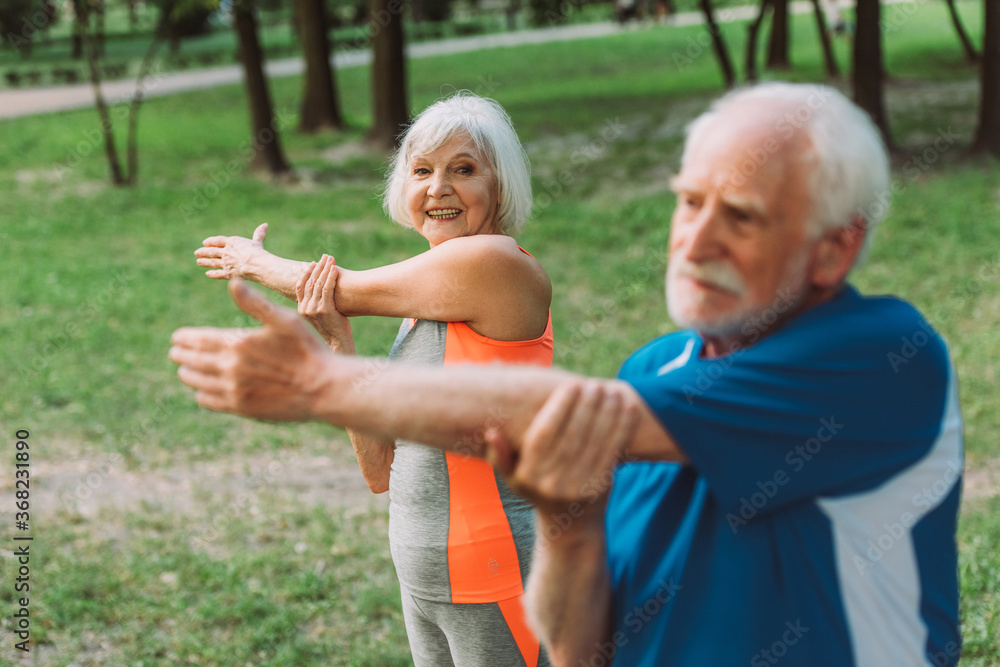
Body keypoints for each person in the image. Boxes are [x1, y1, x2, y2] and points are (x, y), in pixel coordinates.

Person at [171, 82, 963, 666]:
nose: (695, 240)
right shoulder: (655, 368)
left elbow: (574, 413)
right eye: (690, 202)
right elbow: (584, 640)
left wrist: (320, 381)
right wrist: (567, 520)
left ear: (834, 247)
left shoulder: (880, 355)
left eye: (743, 214)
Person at [192, 93, 553, 667]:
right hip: (424, 578)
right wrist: (340, 345)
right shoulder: (422, 307)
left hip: (493, 572)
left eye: (463, 169)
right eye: (422, 171)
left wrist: (253, 261)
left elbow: (343, 288)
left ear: (500, 185)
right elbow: (381, 471)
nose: (438, 189)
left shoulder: (497, 264)